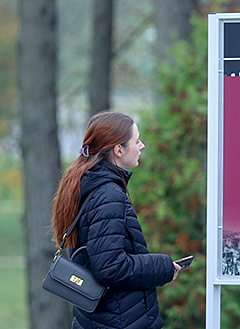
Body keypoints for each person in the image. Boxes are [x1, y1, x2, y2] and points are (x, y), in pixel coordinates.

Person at [51, 111, 181, 329]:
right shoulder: (108, 194)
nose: (142, 146)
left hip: (107, 318)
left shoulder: (90, 184)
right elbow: (109, 266)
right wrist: (163, 266)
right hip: (118, 321)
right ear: (118, 150)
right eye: (137, 141)